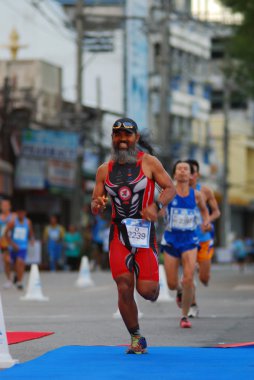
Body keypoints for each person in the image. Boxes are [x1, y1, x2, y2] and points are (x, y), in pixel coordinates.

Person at [91, 117, 176, 354]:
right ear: (112, 139)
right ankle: (136, 338)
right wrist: (97, 205)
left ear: (136, 138)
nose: (122, 140)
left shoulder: (149, 163)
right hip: (119, 234)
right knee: (123, 286)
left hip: (144, 233)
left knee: (147, 292)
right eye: (117, 135)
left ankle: (154, 286)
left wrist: (157, 208)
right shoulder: (103, 170)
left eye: (127, 135)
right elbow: (95, 203)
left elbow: (170, 188)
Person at [161, 160, 210, 328]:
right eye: (179, 169)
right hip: (171, 240)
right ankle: (179, 291)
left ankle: (184, 316)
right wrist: (156, 212)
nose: (182, 171)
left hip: (189, 240)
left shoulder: (196, 195)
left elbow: (204, 210)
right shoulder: (169, 192)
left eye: (185, 169)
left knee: (188, 278)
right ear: (174, 174)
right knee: (172, 284)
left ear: (190, 175)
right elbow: (158, 209)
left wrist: (206, 222)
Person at [187, 159, 221, 318]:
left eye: (191, 172)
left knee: (204, 278)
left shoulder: (206, 191)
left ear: (197, 174)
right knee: (188, 274)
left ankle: (204, 272)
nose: (188, 176)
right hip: (186, 239)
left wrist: (208, 220)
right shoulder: (177, 191)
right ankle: (192, 305)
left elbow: (216, 212)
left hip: (204, 238)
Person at [5, 208, 35, 290]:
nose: (21, 215)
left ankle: (19, 282)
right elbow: (6, 234)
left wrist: (32, 239)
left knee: (20, 263)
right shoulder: (13, 223)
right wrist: (12, 244)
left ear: (25, 213)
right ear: (17, 213)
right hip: (13, 247)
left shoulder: (28, 222)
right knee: (11, 263)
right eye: (19, 213)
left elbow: (31, 232)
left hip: (23, 247)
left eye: (23, 213)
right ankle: (15, 276)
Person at [0, 199, 16, 288]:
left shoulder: (13, 216)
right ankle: (9, 279)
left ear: (10, 206)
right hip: (3, 242)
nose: (4, 207)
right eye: (3, 205)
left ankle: (16, 273)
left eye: (6, 205)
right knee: (6, 261)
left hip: (13, 240)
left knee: (14, 260)